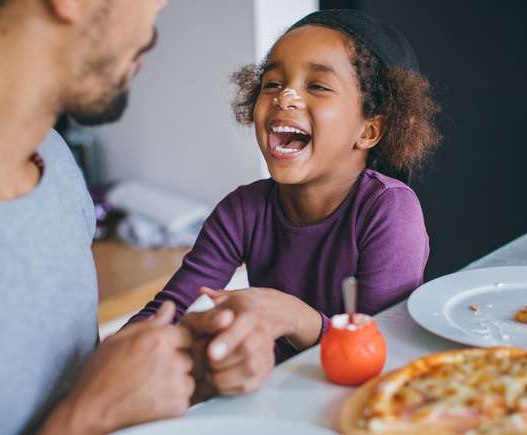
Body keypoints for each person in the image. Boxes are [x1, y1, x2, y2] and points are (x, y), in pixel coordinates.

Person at [0, 1, 248, 434]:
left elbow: (64, 391)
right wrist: (88, 416)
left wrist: (174, 367)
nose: (159, 12)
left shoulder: (52, 161)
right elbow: (83, 412)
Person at [131, 9, 441, 385]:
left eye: (318, 86)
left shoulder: (389, 210)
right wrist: (111, 364)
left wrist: (295, 318)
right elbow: (168, 310)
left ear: (369, 130)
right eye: (273, 83)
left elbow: (388, 353)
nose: (285, 98)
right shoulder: (242, 210)